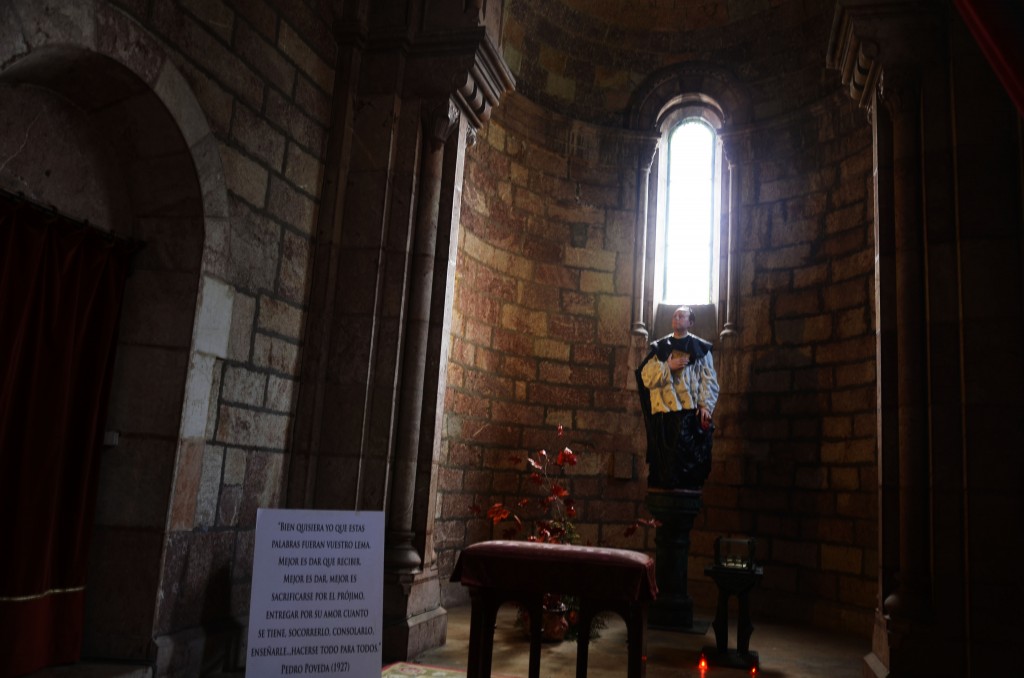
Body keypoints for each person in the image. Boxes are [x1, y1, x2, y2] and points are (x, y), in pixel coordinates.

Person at [635, 306, 720, 489]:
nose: (677, 317)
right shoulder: (660, 348)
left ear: (690, 322)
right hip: (664, 417)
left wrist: (705, 405)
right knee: (664, 467)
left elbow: (709, 379)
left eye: (682, 316)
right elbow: (646, 377)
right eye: (675, 315)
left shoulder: (700, 349)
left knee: (686, 468)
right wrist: (667, 367)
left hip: (688, 417)